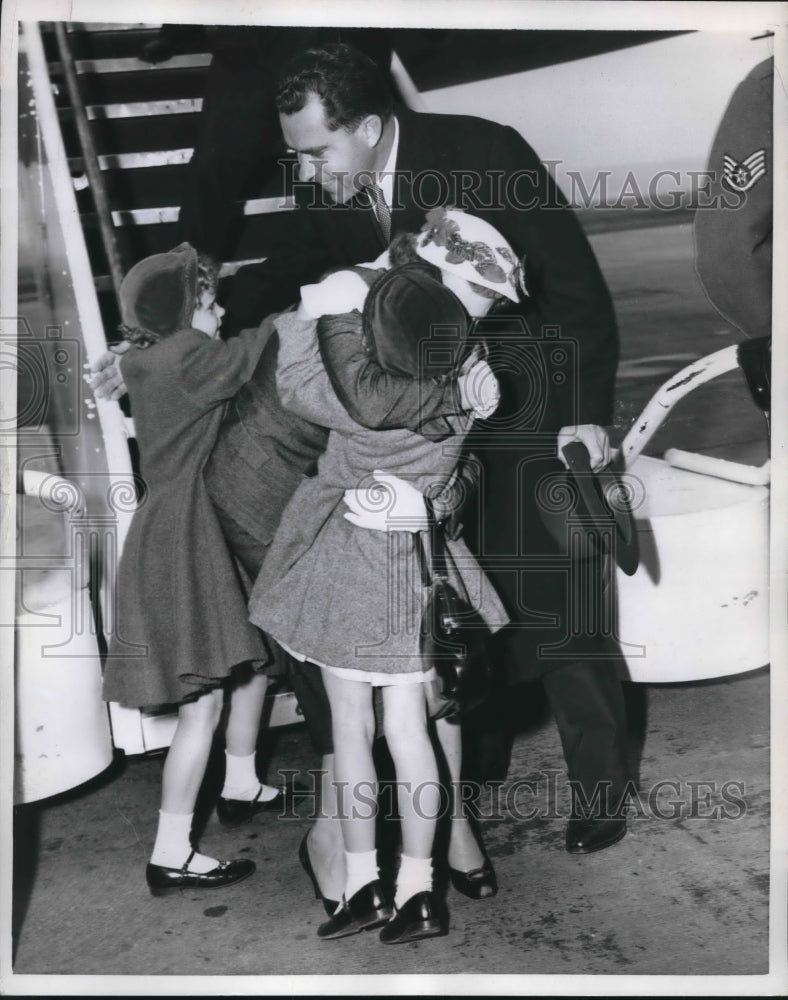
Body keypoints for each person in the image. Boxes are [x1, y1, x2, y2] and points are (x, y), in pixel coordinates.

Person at [221, 42, 628, 856]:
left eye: (316, 151)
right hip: (427, 431)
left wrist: (584, 419)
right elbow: (300, 262)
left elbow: (576, 289)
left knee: (561, 600)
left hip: (525, 406)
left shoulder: (485, 153)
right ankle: (470, 779)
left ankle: (600, 787)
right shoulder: (332, 180)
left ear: (370, 127)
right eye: (296, 152)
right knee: (455, 608)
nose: (305, 171)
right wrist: (209, 304)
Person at [249, 220, 514, 942]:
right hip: (418, 573)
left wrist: (308, 314)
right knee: (411, 732)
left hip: (349, 570)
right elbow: (457, 458)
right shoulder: (471, 373)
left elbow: (301, 385)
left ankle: (365, 882)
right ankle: (420, 891)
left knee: (349, 730)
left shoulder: (364, 386)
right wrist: (428, 502)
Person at [100, 243, 285, 895]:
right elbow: (247, 358)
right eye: (208, 301)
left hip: (177, 529)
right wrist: (301, 313)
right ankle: (171, 853)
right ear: (180, 311)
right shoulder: (186, 357)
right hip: (185, 538)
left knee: (253, 656)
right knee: (201, 708)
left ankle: (240, 779)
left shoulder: (151, 358)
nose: (221, 308)